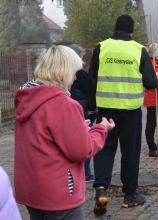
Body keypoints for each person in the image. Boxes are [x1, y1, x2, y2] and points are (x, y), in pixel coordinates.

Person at [14, 45, 115, 220]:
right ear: (63, 72)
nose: (75, 77)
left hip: (31, 190)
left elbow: (45, 137)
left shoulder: (27, 98)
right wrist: (101, 129)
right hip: (58, 194)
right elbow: (82, 150)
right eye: (74, 72)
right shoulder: (64, 104)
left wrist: (79, 127)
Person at [86, 14, 158, 215]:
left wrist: (91, 110)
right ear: (131, 31)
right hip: (131, 111)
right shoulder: (139, 49)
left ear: (115, 29)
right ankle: (130, 195)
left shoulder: (102, 47)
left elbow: (91, 81)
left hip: (106, 110)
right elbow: (151, 83)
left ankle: (101, 189)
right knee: (130, 151)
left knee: (104, 149)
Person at [68, 43, 95, 183]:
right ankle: (85, 173)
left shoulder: (66, 71)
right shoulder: (78, 73)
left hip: (76, 107)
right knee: (85, 140)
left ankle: (82, 173)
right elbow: (88, 89)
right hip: (82, 108)